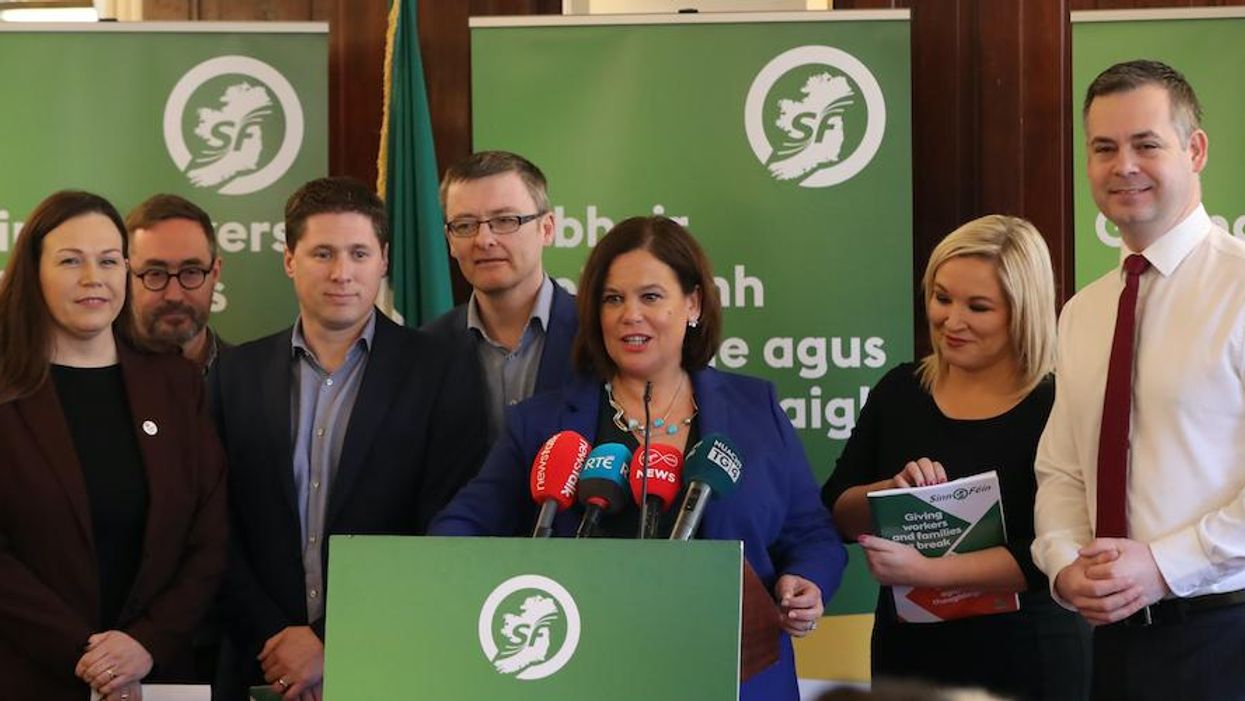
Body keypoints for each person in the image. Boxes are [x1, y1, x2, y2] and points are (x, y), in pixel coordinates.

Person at [431, 215, 845, 701]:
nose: (630, 315)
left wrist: (806, 581)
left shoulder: (755, 410)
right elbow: (457, 533)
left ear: (692, 304)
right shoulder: (541, 424)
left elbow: (812, 532)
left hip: (737, 678)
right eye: (612, 299)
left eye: (650, 296)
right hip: (585, 680)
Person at [211, 177, 488, 700]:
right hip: (258, 661)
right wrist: (277, 637)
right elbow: (213, 525)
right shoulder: (235, 374)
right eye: (322, 253)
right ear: (289, 259)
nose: (342, 273)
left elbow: (443, 528)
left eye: (359, 253)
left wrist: (326, 641)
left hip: (388, 656)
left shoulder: (441, 371)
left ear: (383, 259)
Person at [1032, 59, 1245, 701]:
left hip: (1228, 635)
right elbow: (1063, 470)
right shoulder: (1084, 312)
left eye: (1146, 144)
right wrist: (1064, 560)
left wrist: (1162, 565)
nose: (1123, 165)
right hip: (1114, 644)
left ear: (1195, 149)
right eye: (1104, 148)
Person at [822, 215, 1089, 700]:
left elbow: (1057, 549)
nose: (952, 320)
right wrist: (889, 492)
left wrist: (931, 574)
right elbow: (838, 514)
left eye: (979, 307)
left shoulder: (1059, 403)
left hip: (1030, 652)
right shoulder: (900, 391)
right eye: (941, 298)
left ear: (1022, 312)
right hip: (911, 654)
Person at [0, 190, 227, 700]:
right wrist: (92, 658)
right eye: (70, 261)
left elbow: (209, 538)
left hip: (158, 674)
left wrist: (145, 643)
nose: (92, 279)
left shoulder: (175, 382)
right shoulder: (6, 390)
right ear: (33, 272)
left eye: (107, 261)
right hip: (29, 676)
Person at [423, 151, 578, 446]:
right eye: (466, 225)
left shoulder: (599, 333)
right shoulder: (427, 350)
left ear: (546, 229)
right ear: (450, 241)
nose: (484, 240)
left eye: (505, 220)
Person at [126, 194, 226, 372]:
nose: (174, 296)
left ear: (215, 273)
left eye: (191, 272)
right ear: (125, 275)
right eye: (155, 274)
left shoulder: (254, 382)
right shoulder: (95, 382)